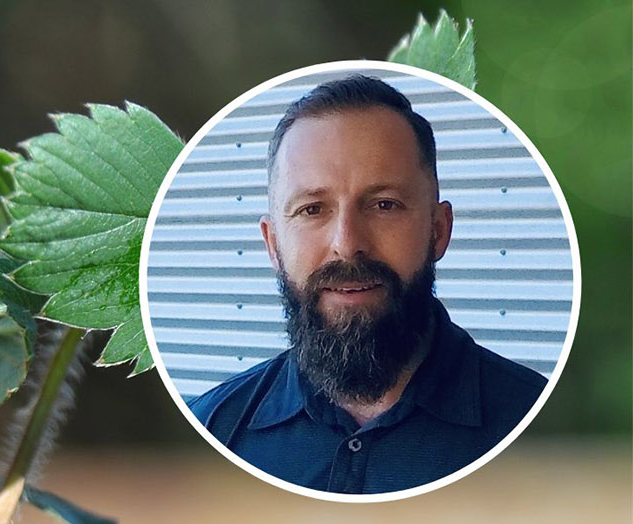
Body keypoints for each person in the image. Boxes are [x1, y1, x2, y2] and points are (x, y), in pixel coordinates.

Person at [187, 75, 547, 494]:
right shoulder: (211, 430)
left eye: (383, 205)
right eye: (312, 209)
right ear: (272, 245)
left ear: (438, 230)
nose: (347, 244)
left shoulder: (542, 432)